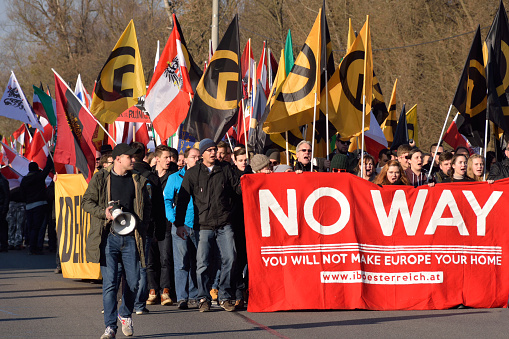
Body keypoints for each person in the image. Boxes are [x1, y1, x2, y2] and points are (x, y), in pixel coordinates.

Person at [82, 143, 151, 339]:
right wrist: (103, 213)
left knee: (134, 281)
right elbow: (86, 202)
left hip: (131, 238)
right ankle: (110, 327)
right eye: (130, 157)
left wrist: (142, 225)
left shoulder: (138, 179)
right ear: (118, 158)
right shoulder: (101, 177)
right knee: (110, 284)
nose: (134, 160)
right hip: (108, 237)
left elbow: (147, 205)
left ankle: (125, 314)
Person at [174, 138, 241, 312]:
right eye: (209, 150)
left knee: (230, 258)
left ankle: (225, 295)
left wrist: (256, 177)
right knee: (202, 263)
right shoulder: (193, 173)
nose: (213, 152)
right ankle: (203, 297)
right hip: (202, 225)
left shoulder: (226, 169)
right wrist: (179, 224)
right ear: (202, 153)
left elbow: (240, 189)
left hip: (224, 223)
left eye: (214, 149)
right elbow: (182, 200)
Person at [129, 142, 166, 315]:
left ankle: (126, 301)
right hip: (146, 226)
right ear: (144, 154)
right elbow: (159, 207)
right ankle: (139, 304)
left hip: (125, 227)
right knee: (143, 265)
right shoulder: (151, 176)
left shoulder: (125, 173)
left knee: (126, 265)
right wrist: (160, 230)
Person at [164, 147, 201, 310]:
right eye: (193, 157)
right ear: (185, 159)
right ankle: (182, 297)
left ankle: (194, 295)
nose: (197, 160)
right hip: (181, 225)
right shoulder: (174, 178)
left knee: (198, 262)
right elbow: (167, 201)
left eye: (199, 157)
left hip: (201, 224)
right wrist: (175, 222)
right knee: (181, 263)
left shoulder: (204, 175)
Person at [146, 145, 178, 306]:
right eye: (166, 157)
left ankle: (165, 290)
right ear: (157, 158)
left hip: (166, 223)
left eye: (170, 157)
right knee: (151, 260)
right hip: (149, 224)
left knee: (166, 258)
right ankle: (152, 289)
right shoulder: (148, 175)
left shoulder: (173, 175)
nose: (169, 160)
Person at [230, 147, 252, 309]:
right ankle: (238, 294)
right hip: (236, 221)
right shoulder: (230, 174)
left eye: (246, 160)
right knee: (238, 260)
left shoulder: (253, 173)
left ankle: (249, 290)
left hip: (253, 223)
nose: (244, 163)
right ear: (234, 160)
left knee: (252, 261)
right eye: (241, 160)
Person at [20, 156, 52, 255]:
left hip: (29, 206)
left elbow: (22, 193)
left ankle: (31, 246)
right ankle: (35, 248)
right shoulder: (39, 177)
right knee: (38, 227)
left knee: (31, 227)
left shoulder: (24, 180)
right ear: (37, 168)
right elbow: (47, 168)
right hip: (40, 204)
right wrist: (49, 156)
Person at [0, 171, 9, 252]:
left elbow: (6, 195)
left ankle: (3, 245)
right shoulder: (3, 180)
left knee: (2, 227)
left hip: (1, 206)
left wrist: (4, 208)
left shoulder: (3, 180)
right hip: (2, 206)